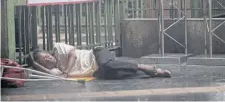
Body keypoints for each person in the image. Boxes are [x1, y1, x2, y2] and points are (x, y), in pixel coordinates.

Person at [28, 43, 171, 79]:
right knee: (119, 75)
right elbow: (51, 74)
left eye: (46, 55)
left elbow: (73, 55)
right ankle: (153, 74)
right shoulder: (56, 71)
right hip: (98, 71)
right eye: (45, 61)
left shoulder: (58, 48)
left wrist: (66, 72)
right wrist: (35, 65)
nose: (48, 59)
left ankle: (145, 67)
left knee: (106, 64)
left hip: (97, 54)